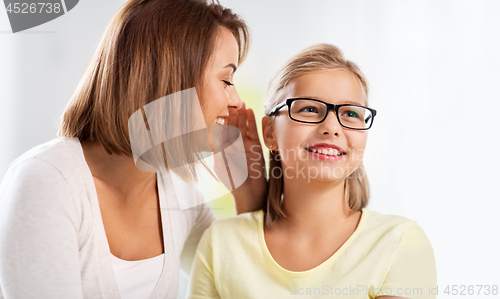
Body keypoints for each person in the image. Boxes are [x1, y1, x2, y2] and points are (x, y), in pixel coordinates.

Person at [0, 0, 266, 298]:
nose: (237, 101)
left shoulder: (179, 192)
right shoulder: (46, 182)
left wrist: (248, 194)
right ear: (170, 80)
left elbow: (238, 285)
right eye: (226, 80)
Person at [187, 44, 437, 299]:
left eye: (350, 113)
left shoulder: (399, 242)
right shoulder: (220, 244)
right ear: (270, 133)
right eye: (309, 109)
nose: (331, 127)